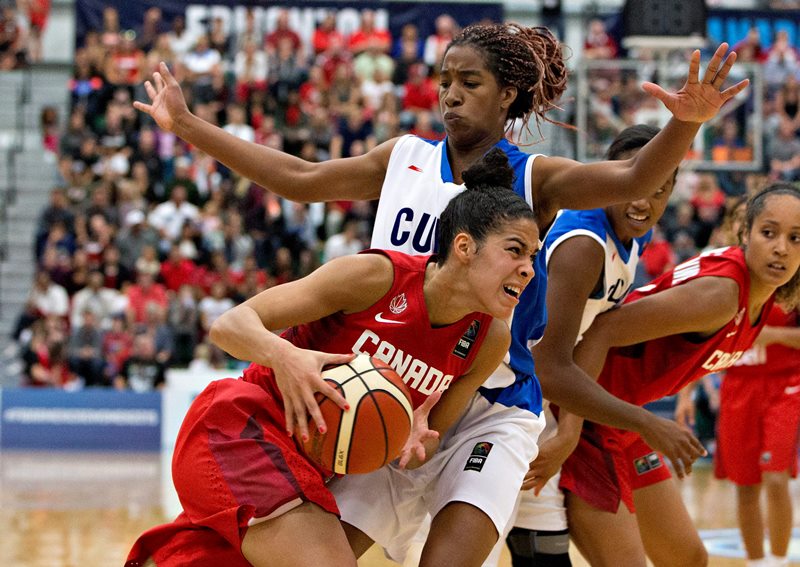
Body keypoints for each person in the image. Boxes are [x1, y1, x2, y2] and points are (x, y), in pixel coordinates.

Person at [135, 22, 745, 565]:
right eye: (443, 80)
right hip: (394, 392)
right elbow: (298, 179)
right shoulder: (403, 158)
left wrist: (685, 122)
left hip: (490, 395)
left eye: (469, 82)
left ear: (507, 95)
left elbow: (635, 177)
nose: (449, 93)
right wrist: (188, 126)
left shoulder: (537, 176)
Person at [124, 152, 540, 567]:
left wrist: (409, 438)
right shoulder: (377, 278)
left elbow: (425, 437)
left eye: (533, 258)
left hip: (309, 468)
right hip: (244, 429)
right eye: (515, 251)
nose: (528, 271)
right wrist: (285, 356)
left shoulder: (488, 342)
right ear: (465, 247)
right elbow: (229, 325)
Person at [553, 183, 800, 567]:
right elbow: (601, 330)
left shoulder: (760, 297)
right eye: (769, 233)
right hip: (587, 413)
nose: (781, 248)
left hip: (624, 416)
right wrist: (568, 431)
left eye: (795, 238)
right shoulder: (721, 295)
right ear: (746, 233)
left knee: (687, 558)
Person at [489, 124, 676, 567]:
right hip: (501, 388)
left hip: (542, 395)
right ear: (613, 176)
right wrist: (575, 431)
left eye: (660, 189)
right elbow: (548, 361)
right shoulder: (583, 248)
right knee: (479, 540)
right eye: (638, 184)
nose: (644, 201)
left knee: (541, 545)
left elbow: (579, 345)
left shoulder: (634, 230)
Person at [705, 198, 800, 567]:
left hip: (784, 384)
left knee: (775, 477)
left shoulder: (787, 274)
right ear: (739, 230)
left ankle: (778, 560)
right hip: (738, 386)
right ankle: (757, 562)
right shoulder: (718, 273)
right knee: (745, 485)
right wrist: (685, 393)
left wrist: (769, 333)